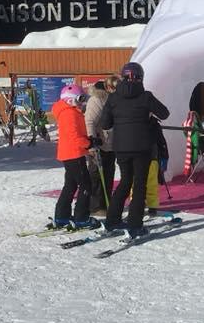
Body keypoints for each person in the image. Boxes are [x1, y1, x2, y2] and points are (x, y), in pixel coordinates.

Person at [98, 62, 169, 239]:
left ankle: (112, 220)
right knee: (139, 185)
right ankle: (135, 225)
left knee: (124, 182)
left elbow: (105, 124)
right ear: (140, 77)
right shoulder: (145, 97)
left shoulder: (113, 98)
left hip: (121, 148)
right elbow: (165, 113)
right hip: (142, 147)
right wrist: (148, 115)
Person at [50, 84, 99, 229]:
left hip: (70, 153)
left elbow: (76, 134)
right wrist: (89, 143)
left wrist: (89, 140)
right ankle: (81, 218)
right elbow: (75, 137)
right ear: (70, 100)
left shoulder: (69, 111)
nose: (81, 102)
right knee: (86, 185)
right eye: (80, 99)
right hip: (74, 154)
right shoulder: (69, 113)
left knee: (70, 185)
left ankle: (61, 216)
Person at [84, 78, 116, 211]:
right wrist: (92, 143)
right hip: (99, 143)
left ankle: (106, 202)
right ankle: (96, 206)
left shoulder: (109, 99)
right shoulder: (96, 100)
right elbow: (89, 122)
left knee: (109, 173)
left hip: (109, 144)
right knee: (96, 174)